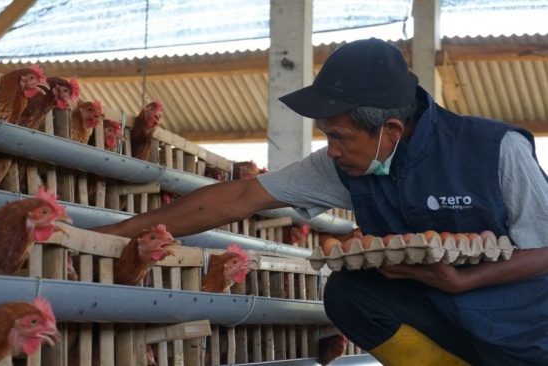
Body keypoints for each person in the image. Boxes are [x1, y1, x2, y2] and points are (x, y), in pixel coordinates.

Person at [94, 38, 548, 365]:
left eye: (338, 136)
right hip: (448, 322)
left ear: (389, 129)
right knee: (351, 294)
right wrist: (119, 231)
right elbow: (240, 196)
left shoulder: (495, 150)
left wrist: (465, 282)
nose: (330, 149)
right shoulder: (349, 162)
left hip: (527, 331)